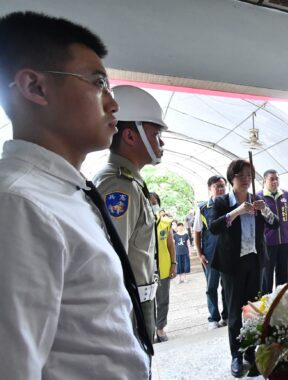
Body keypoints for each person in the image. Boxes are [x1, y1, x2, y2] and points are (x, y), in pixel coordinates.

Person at [0, 11, 149, 378]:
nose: (113, 103)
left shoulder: (65, 192)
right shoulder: (19, 204)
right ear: (35, 87)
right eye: (98, 82)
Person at [93, 84, 168, 346]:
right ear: (130, 136)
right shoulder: (118, 187)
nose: (161, 142)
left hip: (140, 300)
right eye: (155, 133)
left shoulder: (129, 183)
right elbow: (113, 265)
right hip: (129, 307)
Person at [209, 159, 278, 378]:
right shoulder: (222, 202)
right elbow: (214, 227)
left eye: (250, 175)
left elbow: (275, 224)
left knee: (253, 312)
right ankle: (236, 356)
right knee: (234, 312)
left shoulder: (258, 200)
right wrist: (237, 211)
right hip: (232, 264)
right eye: (242, 175)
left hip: (255, 262)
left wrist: (265, 209)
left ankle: (250, 353)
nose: (247, 179)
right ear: (232, 178)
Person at [194, 175, 228, 329]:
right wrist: (200, 253)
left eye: (222, 186)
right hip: (210, 253)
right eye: (216, 186)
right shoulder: (202, 208)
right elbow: (197, 232)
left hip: (228, 252)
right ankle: (213, 318)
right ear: (209, 189)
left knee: (228, 285)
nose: (220, 189)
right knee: (211, 286)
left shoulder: (231, 204)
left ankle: (227, 315)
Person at [258, 169, 288, 294]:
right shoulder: (259, 196)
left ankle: (281, 301)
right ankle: (267, 304)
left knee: (283, 274)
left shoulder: (285, 194)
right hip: (268, 242)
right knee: (267, 274)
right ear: (264, 181)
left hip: (284, 240)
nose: (275, 181)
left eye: (277, 178)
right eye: (272, 179)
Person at [149, 192, 176, 343]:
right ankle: (149, 329)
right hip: (145, 270)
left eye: (154, 202)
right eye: (149, 202)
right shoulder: (140, 222)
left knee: (163, 299)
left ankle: (160, 328)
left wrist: (173, 264)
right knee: (148, 302)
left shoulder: (165, 223)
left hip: (163, 268)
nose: (152, 205)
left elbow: (171, 245)